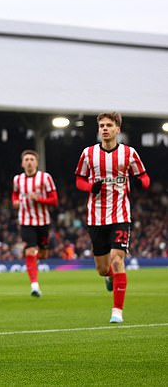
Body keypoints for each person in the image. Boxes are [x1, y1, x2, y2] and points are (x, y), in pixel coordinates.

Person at [75, 112, 150, 323]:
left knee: (118, 260)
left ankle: (117, 311)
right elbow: (79, 180)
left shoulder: (129, 153)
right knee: (103, 269)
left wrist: (139, 183)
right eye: (101, 125)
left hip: (120, 215)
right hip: (96, 217)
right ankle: (109, 278)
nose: (105, 128)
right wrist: (91, 186)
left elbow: (144, 177)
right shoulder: (88, 154)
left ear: (118, 129)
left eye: (109, 125)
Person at [11, 150, 59, 297]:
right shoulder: (18, 179)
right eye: (26, 159)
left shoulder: (45, 178)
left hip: (43, 221)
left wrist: (38, 199)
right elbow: (15, 194)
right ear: (22, 163)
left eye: (32, 159)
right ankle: (35, 286)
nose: (29, 162)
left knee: (43, 254)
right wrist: (15, 201)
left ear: (37, 163)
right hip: (26, 221)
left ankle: (34, 263)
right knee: (30, 250)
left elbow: (54, 201)